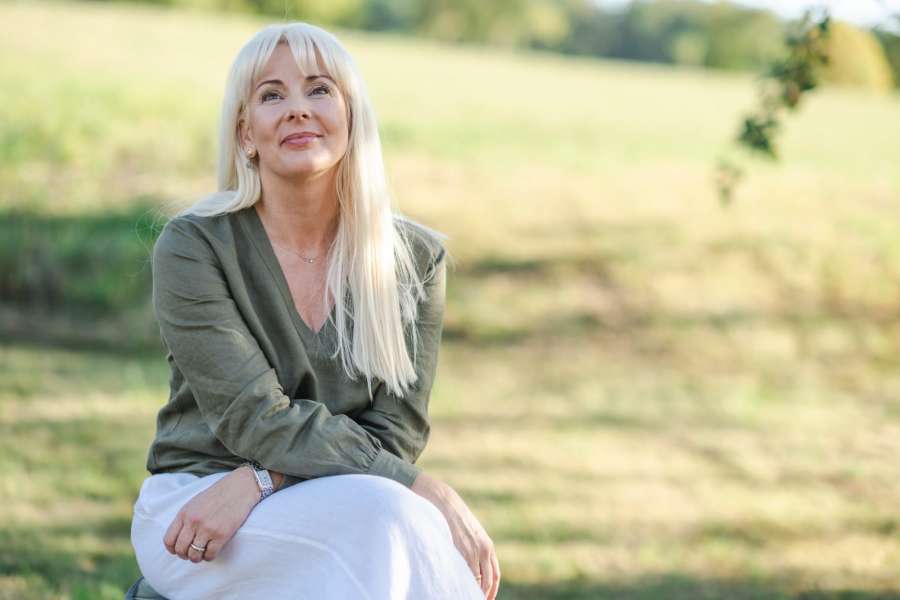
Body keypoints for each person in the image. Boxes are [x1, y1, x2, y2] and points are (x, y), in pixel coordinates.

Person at [129, 21, 500, 600]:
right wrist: (425, 489)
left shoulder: (415, 260)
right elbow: (253, 416)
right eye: (272, 95)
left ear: (352, 117)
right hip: (197, 507)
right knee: (394, 517)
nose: (298, 109)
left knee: (387, 519)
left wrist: (264, 479)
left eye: (319, 89)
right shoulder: (195, 246)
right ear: (246, 133)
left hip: (335, 496)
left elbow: (394, 433)